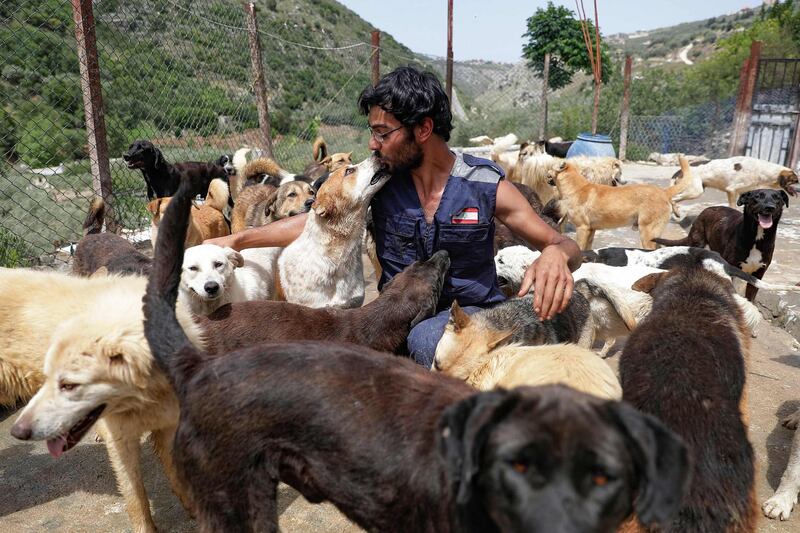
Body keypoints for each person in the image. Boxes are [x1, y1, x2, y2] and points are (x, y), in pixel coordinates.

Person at [206, 66, 581, 368]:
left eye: (382, 133)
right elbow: (318, 222)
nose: (373, 144)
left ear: (423, 129)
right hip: (395, 324)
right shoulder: (382, 184)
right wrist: (236, 239)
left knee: (447, 339)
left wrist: (554, 254)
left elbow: (565, 244)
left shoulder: (483, 183)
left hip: (473, 321)